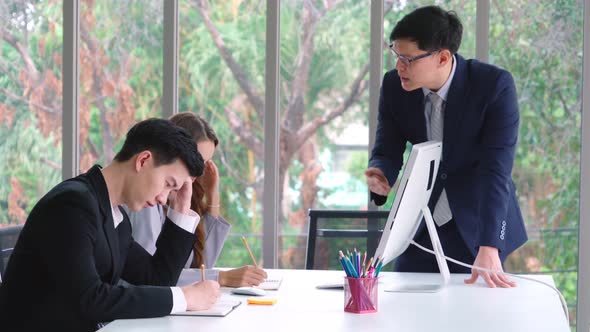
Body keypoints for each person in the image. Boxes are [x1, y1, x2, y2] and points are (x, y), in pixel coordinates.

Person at [0, 118, 221, 331]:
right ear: (143, 160)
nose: (164, 198)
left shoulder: (115, 216)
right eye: (167, 184)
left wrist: (181, 209)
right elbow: (90, 299)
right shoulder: (71, 205)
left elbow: (156, 279)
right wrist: (185, 297)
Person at [366, 6, 527, 288]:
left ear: (442, 57)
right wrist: (381, 173)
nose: (398, 66)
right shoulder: (394, 86)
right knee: (408, 309)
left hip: (479, 224)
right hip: (421, 224)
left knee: (477, 314)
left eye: (407, 59)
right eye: (396, 55)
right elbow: (387, 148)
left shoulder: (493, 87)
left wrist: (489, 245)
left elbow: (496, 171)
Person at [127, 112, 267, 287]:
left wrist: (213, 195)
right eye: (196, 161)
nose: (198, 171)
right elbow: (150, 277)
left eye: (205, 163)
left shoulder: (180, 197)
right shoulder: (148, 200)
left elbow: (201, 265)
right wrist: (221, 278)